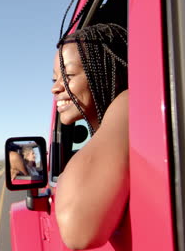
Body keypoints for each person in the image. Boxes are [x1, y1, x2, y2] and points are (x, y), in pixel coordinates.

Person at [51, 23, 129, 250]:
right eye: (54, 79)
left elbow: (77, 231)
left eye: (68, 75)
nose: (55, 88)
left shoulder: (128, 101)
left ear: (106, 72)